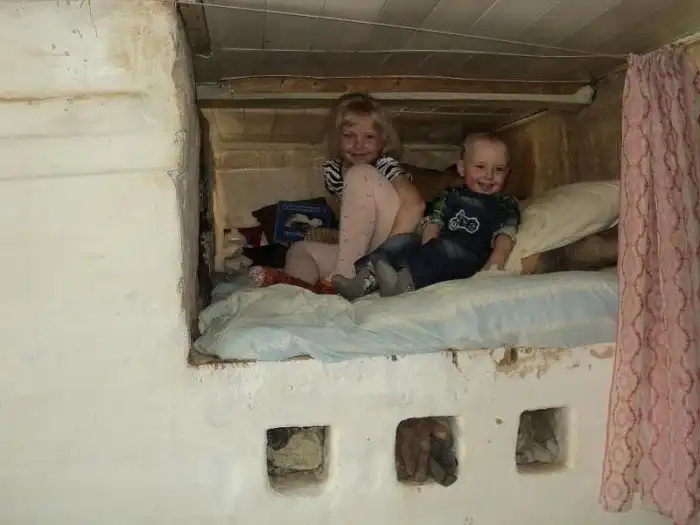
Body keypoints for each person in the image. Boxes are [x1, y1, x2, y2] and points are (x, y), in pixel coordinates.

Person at [248, 92, 425, 293]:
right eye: (349, 136)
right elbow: (349, 219)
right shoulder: (333, 171)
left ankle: (343, 279)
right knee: (300, 249)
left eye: (369, 137)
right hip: (363, 254)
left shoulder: (385, 165)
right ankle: (299, 291)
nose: (358, 145)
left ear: (383, 142)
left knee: (360, 174)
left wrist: (384, 255)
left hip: (392, 251)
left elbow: (415, 205)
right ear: (336, 138)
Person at [332, 132, 520, 300]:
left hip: (467, 258)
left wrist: (492, 268)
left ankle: (403, 284)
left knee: (442, 248)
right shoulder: (450, 195)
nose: (489, 175)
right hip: (434, 248)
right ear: (462, 168)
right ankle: (364, 279)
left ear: (508, 172)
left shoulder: (505, 204)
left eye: (499, 169)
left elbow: (505, 236)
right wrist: (425, 247)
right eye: (480, 166)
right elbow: (434, 221)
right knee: (403, 240)